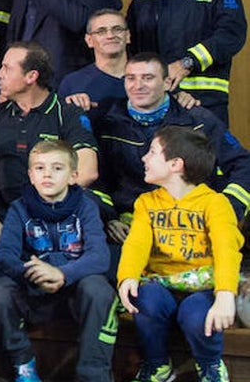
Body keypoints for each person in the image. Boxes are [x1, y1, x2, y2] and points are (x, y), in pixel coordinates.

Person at [0, 140, 116, 382]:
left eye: (57, 168)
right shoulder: (19, 208)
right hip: (34, 289)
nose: (47, 175)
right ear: (31, 175)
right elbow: (6, 253)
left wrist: (63, 274)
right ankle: (22, 360)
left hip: (75, 294)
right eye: (40, 168)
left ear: (73, 176)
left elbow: (99, 257)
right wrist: (32, 272)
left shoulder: (86, 206)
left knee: (99, 289)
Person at [118, 126, 243, 382]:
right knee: (143, 298)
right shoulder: (146, 203)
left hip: (201, 287)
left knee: (196, 315)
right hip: (161, 284)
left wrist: (225, 294)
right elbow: (136, 244)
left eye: (152, 152)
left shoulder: (215, 203)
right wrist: (127, 276)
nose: (143, 158)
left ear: (175, 165)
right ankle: (157, 365)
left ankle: (211, 368)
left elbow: (227, 248)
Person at [89, 54, 250, 246]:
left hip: (193, 227)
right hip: (130, 230)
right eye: (131, 78)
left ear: (167, 83)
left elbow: (243, 165)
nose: (138, 85)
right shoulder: (105, 122)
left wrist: (227, 207)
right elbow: (94, 179)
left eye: (148, 78)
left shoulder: (198, 120)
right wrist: (109, 218)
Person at [0, 43, 99, 241]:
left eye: (7, 68)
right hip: (4, 219)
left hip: (57, 220)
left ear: (31, 76)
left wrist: (42, 212)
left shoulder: (67, 112)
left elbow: (87, 171)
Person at [127, 0, 247, 125]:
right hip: (155, 101)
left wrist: (187, 63)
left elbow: (231, 34)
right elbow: (130, 48)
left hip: (204, 101)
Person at [56, 8, 130, 119]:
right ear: (89, 40)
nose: (110, 36)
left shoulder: (148, 77)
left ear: (128, 36)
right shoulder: (72, 83)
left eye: (117, 29)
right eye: (101, 31)